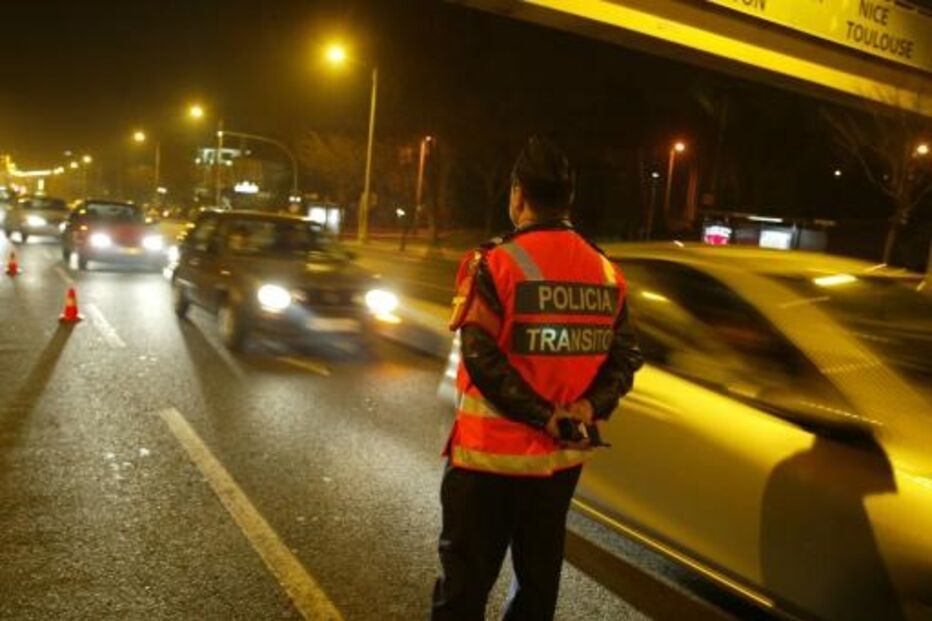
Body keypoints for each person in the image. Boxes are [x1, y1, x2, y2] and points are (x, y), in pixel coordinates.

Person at [431, 136, 643, 620]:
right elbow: (626, 356)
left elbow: (481, 357)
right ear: (569, 200)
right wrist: (587, 408)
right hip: (559, 464)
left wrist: (540, 414)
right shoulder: (605, 271)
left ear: (517, 194)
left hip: (488, 462)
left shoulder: (495, 263)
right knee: (537, 586)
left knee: (464, 587)